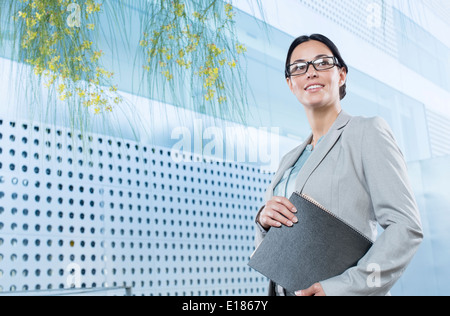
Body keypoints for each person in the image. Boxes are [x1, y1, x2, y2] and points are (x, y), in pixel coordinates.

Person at [254, 34, 423, 296]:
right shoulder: (288, 161)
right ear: (290, 83)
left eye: (322, 63)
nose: (310, 73)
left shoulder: (367, 132)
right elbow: (278, 245)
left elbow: (405, 227)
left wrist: (341, 289)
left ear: (341, 75)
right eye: (299, 67)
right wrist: (264, 221)